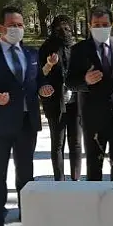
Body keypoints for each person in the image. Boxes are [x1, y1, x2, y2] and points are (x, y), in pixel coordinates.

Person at [0, 6, 51, 226]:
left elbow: (38, 81)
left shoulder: (32, 54)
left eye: (20, 25)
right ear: (0, 28)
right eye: (12, 25)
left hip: (27, 123)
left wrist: (44, 88)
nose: (17, 29)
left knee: (25, 172)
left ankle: (26, 212)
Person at [66, 6, 113, 181]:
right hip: (92, 117)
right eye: (96, 24)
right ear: (89, 25)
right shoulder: (79, 49)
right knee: (94, 168)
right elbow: (70, 82)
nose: (100, 28)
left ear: (112, 25)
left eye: (104, 24)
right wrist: (85, 80)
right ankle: (96, 199)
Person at [38, 15, 82, 181]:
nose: (64, 31)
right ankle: (59, 181)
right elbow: (40, 74)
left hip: (76, 101)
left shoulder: (76, 48)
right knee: (58, 143)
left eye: (67, 28)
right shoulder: (46, 47)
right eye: (59, 28)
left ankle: (76, 179)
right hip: (55, 102)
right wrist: (49, 64)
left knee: (76, 142)